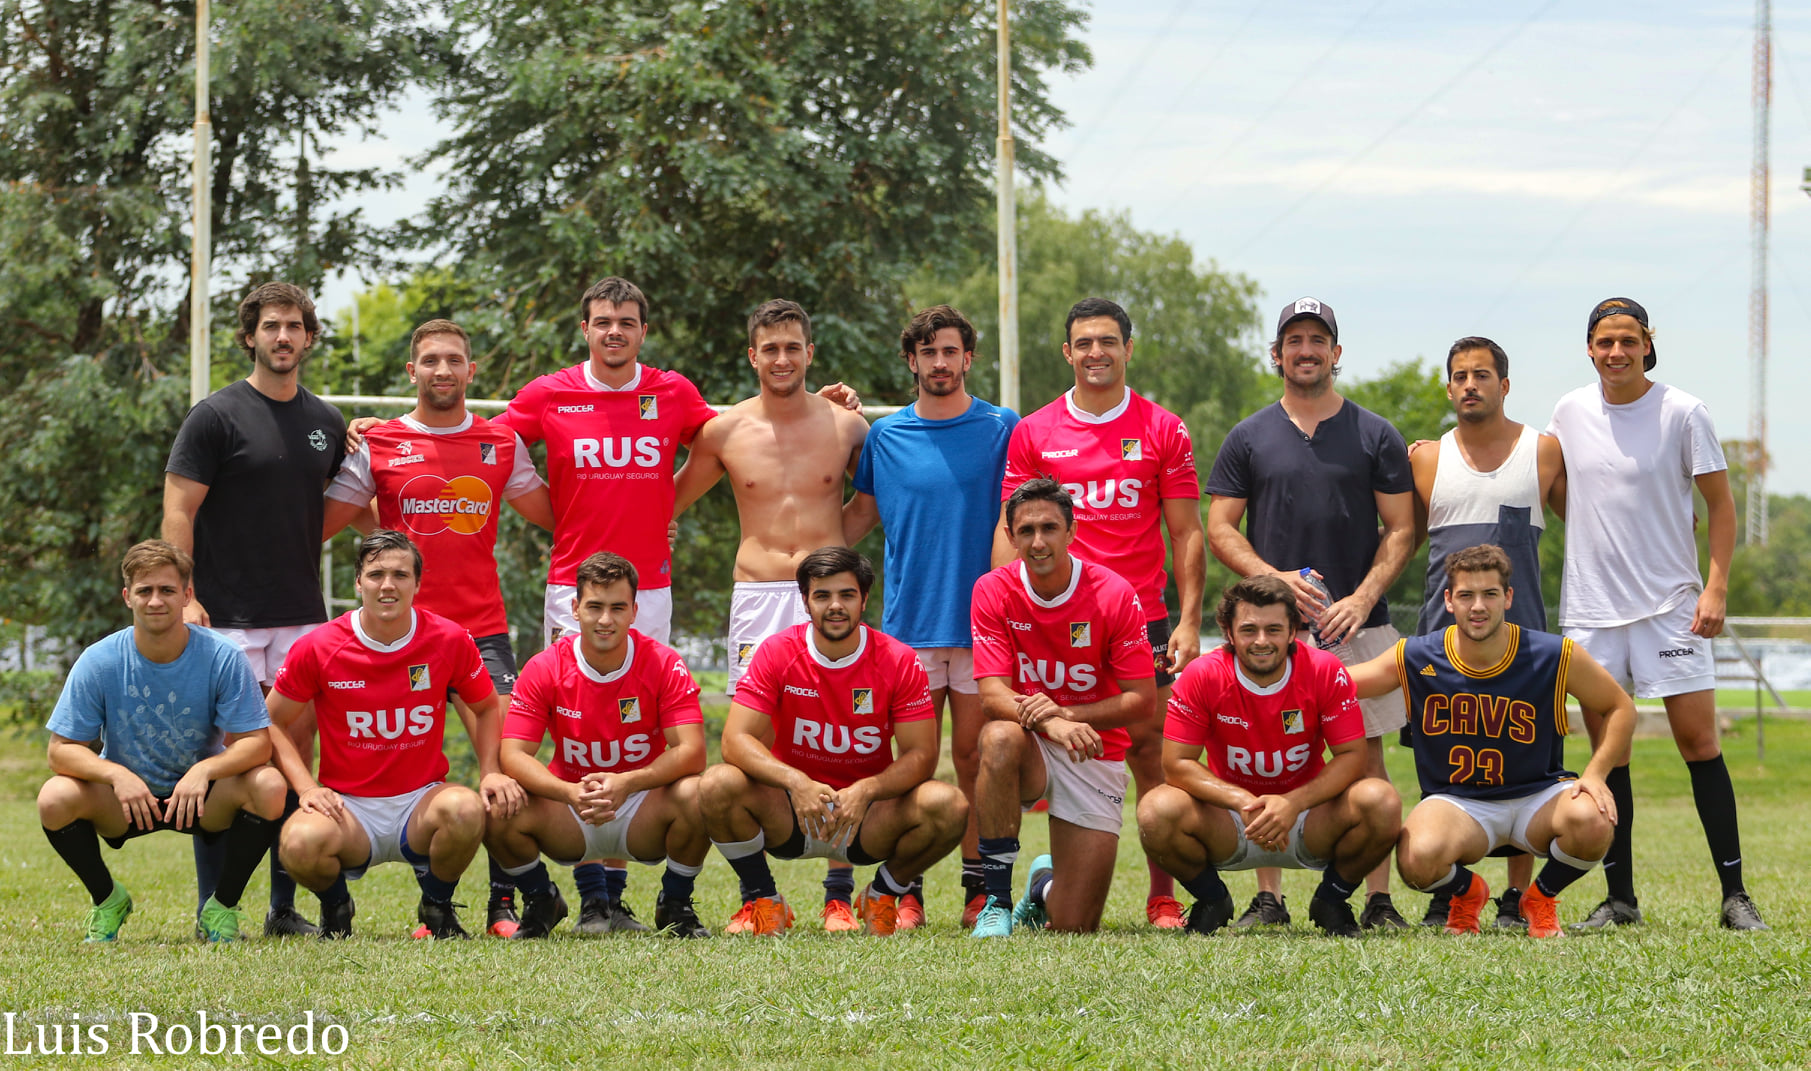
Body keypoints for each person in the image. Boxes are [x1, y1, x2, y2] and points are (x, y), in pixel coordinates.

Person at [324, 318, 554, 937]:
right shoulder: (380, 442)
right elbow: (330, 520)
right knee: (407, 762)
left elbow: (560, 515)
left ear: (470, 371)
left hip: (480, 630)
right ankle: (434, 902)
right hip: (408, 636)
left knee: (504, 763)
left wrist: (643, 527)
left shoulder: (501, 443)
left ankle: (504, 903)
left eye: (454, 360)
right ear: (412, 372)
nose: (443, 371)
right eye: (430, 360)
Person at [1544, 297, 1765, 931]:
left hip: (1672, 607)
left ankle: (1735, 895)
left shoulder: (1684, 411)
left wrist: (1714, 588)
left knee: (1700, 743)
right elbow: (1564, 491)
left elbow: (1720, 507)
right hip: (1591, 610)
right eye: (1605, 341)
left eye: (1628, 341)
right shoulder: (1569, 410)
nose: (1617, 352)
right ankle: (1621, 901)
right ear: (1589, 348)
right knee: (1611, 755)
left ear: (1647, 345)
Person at [1204, 296, 1415, 930]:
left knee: (1368, 758)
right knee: (1266, 753)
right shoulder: (1249, 435)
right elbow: (1219, 527)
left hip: (1356, 623)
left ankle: (1376, 898)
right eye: (1293, 340)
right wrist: (1273, 582)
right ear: (1277, 355)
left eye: (1317, 339)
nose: (1305, 350)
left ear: (1336, 353)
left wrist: (1362, 597)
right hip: (1272, 626)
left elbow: (1402, 528)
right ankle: (1269, 898)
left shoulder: (1374, 432)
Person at [999, 297, 1205, 929]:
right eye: (1084, 342)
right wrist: (1004, 606)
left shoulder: (1163, 427)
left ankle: (1162, 895)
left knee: (1152, 752)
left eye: (1108, 341)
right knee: (1017, 741)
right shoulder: (1034, 430)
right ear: (1067, 353)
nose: (1096, 352)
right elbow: (1012, 532)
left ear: (1127, 349)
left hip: (1139, 619)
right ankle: (999, 896)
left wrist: (1190, 620)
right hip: (1052, 625)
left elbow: (1187, 532)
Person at [675, 298, 873, 930]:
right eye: (771, 348)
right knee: (747, 743)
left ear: (810, 353)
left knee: (841, 732)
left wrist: (835, 558)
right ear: (752, 355)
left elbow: (873, 501)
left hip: (830, 593)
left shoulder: (848, 427)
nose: (782, 358)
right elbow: (665, 501)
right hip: (758, 597)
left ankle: (839, 894)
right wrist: (661, 534)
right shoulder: (723, 431)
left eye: (793, 347)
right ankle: (760, 896)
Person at [162, 280, 347, 938]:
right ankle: (217, 908)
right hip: (226, 619)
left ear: (308, 337)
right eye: (271, 326)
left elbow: (332, 504)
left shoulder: (327, 422)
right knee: (234, 761)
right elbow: (177, 511)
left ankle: (282, 906)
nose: (283, 337)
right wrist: (186, 597)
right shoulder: (215, 416)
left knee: (296, 760)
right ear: (250, 336)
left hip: (301, 614)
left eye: (294, 326)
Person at [1348, 544, 1634, 938]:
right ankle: (1468, 894)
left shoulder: (1553, 654)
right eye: (1466, 595)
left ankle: (1540, 898)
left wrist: (1597, 774)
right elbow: (1344, 683)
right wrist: (1284, 665)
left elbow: (1620, 707)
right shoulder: (1417, 654)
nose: (1477, 606)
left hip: (1537, 796)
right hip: (1459, 802)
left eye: (1489, 594)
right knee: (1416, 859)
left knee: (1592, 819)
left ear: (1508, 598)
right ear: (1448, 601)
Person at [843, 304, 1018, 928]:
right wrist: (788, 555)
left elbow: (1028, 522)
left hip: (983, 629)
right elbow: (854, 521)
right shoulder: (885, 436)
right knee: (907, 763)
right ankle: (904, 887)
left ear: (968, 358)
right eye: (927, 352)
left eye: (949, 351)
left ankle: (979, 891)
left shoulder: (1004, 427)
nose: (939, 362)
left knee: (973, 759)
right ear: (910, 361)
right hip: (907, 629)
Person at [264, 530, 525, 938]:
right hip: (349, 809)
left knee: (467, 809)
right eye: (376, 574)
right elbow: (272, 722)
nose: (388, 585)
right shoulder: (318, 646)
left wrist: (490, 769)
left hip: (420, 800)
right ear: (358, 582)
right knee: (296, 842)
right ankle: (337, 909)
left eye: (401, 575)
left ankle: (437, 908)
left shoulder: (450, 639)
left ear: (418, 584)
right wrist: (305, 787)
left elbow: (488, 706)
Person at [698, 547, 968, 935]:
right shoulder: (776, 651)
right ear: (805, 601)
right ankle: (764, 901)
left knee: (949, 804)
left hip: (866, 816)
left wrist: (867, 790)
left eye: (846, 595)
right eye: (822, 596)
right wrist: (796, 782)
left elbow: (922, 755)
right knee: (716, 783)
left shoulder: (899, 659)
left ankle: (883, 893)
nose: (835, 606)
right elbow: (735, 741)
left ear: (864, 599)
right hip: (792, 811)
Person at [37, 541, 288, 942]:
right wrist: (116, 775)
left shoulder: (223, 656)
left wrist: (205, 769)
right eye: (145, 591)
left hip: (202, 798)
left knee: (271, 785)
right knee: (54, 797)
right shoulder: (99, 660)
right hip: (126, 801)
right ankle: (108, 900)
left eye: (168, 590)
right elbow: (60, 751)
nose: (156, 601)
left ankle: (220, 908)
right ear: (127, 597)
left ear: (187, 596)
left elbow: (257, 743)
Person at [1136, 575, 1401, 937]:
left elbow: (1352, 757)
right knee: (1155, 809)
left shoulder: (1324, 670)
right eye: (1249, 629)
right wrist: (1243, 800)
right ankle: (1213, 899)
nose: (1261, 641)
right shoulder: (1201, 675)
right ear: (1229, 632)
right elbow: (1175, 764)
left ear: (1293, 631)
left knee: (1381, 800)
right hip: (1233, 821)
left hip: (1308, 818)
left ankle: (1332, 900)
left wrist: (1291, 803)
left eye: (1274, 629)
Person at [1409, 336, 1566, 929]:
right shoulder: (1425, 459)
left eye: (1482, 374)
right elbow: (1402, 536)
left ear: (1505, 383)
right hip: (1443, 642)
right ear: (1448, 388)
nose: (1470, 384)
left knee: (1528, 763)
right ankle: (1448, 889)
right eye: (1459, 376)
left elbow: (1595, 515)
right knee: (1442, 759)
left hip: (1524, 643)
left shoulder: (1544, 451)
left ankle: (1514, 896)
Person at [487, 552, 713, 938]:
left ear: (634, 611)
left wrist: (628, 783)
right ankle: (542, 899)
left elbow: (692, 751)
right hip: (570, 807)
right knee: (493, 804)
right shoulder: (545, 666)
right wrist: (568, 792)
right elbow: (512, 754)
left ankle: (675, 903)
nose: (605, 619)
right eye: (594, 607)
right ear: (575, 609)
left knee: (702, 792)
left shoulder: (664, 662)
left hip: (640, 806)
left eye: (617, 608)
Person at [968, 479, 1156, 936]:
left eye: (1049, 528)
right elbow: (992, 694)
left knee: (1074, 925)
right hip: (1032, 741)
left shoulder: (1112, 592)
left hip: (1092, 749)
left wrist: (1070, 716)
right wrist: (1050, 721)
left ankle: (1042, 887)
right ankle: (995, 901)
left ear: (1072, 532)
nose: (1037, 542)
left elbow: (1142, 700)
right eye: (1025, 530)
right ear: (1010, 537)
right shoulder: (992, 589)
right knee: (996, 736)